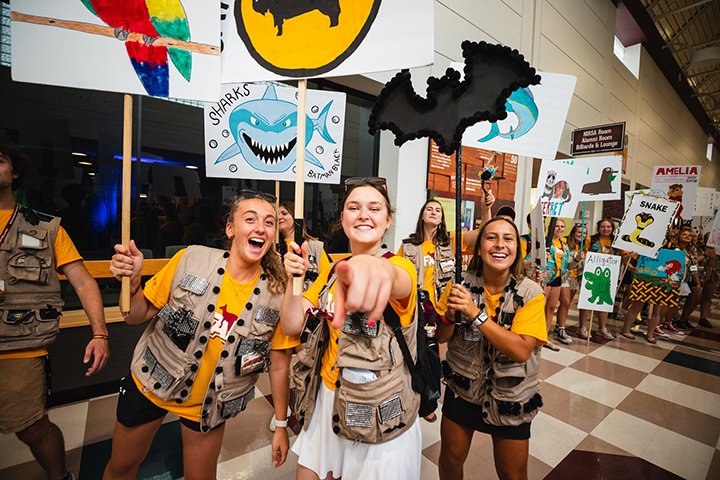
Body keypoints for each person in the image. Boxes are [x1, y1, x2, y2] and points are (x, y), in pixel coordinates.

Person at [105, 191, 297, 479]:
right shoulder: (191, 259)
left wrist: (281, 424)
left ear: (273, 235)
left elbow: (280, 363)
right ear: (231, 228)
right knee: (121, 468)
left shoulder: (277, 293)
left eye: (269, 222)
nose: (260, 227)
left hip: (209, 403)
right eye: (250, 219)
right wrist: (131, 283)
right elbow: (136, 314)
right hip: (150, 382)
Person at [282, 177, 421, 479]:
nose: (363, 215)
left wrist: (375, 267)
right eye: (353, 207)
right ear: (342, 218)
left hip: (378, 405)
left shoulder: (401, 265)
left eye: (374, 208)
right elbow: (292, 323)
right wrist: (292, 280)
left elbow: (397, 280)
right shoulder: (334, 269)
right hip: (328, 397)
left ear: (388, 220)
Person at [0, 139, 109, 480]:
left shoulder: (43, 228)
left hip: (17, 348)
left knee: (30, 427)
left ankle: (59, 475)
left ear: (14, 171)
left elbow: (83, 281)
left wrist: (100, 333)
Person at [434, 216, 547, 480]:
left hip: (511, 397)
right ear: (479, 247)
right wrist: (450, 316)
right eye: (491, 237)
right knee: (450, 459)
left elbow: (520, 351)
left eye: (508, 239)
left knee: (513, 474)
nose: (500, 245)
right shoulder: (459, 285)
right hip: (463, 387)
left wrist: (475, 314)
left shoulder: (531, 294)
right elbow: (442, 337)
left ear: (517, 248)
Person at [270, 200, 331, 432]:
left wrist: (307, 300)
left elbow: (327, 276)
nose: (280, 217)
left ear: (296, 217)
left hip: (306, 314)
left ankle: (309, 404)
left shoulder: (314, 247)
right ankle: (281, 411)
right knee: (279, 364)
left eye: (284, 213)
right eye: (275, 215)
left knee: (307, 360)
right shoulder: (270, 247)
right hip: (277, 311)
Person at [577, 218, 620, 340]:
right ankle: (582, 327)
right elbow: (583, 252)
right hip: (592, 274)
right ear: (598, 227)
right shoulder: (591, 239)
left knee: (604, 302)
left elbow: (624, 255)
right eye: (603, 226)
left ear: (612, 228)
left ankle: (602, 328)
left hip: (608, 276)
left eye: (608, 227)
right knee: (587, 300)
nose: (605, 229)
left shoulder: (616, 241)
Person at [543, 219, 573, 348]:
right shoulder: (545, 241)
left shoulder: (564, 245)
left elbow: (569, 266)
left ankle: (544, 337)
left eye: (562, 227)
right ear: (551, 228)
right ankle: (534, 335)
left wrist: (577, 260)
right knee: (540, 308)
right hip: (545, 278)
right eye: (556, 226)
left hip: (558, 278)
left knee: (550, 308)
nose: (559, 229)